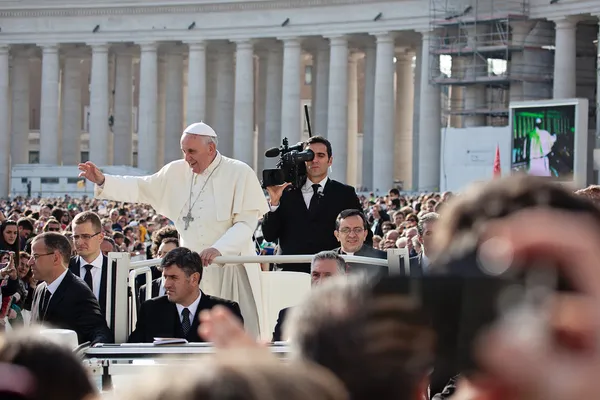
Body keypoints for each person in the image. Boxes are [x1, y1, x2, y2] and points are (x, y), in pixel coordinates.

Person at [78, 122, 269, 339]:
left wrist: (219, 249)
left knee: (234, 333)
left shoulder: (239, 172)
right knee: (192, 332)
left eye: (192, 151)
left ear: (211, 149)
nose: (187, 157)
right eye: (184, 151)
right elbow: (142, 187)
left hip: (231, 266)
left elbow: (246, 223)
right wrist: (104, 180)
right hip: (191, 272)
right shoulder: (176, 172)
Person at [261, 136, 365, 273]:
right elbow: (269, 235)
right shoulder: (285, 192)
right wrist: (274, 203)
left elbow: (363, 236)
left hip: (329, 274)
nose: (314, 160)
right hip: (289, 272)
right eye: (309, 156)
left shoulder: (345, 193)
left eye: (320, 155)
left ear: (330, 160)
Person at [128, 247, 243, 343]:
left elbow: (238, 357)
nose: (166, 284)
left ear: (194, 278)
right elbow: (133, 352)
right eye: (165, 277)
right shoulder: (150, 310)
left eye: (173, 277)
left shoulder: (226, 311)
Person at [29, 232, 113, 344]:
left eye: (35, 256)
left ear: (56, 258)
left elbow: (99, 331)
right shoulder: (40, 289)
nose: (30, 262)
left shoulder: (78, 292)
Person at [271, 250, 346, 342]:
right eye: (316, 275)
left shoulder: (359, 318)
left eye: (328, 275)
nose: (320, 282)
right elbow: (275, 353)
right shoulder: (287, 316)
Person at [332, 209, 387, 279]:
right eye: (345, 230)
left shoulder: (383, 260)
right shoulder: (325, 261)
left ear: (365, 234)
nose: (352, 235)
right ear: (337, 235)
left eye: (357, 230)